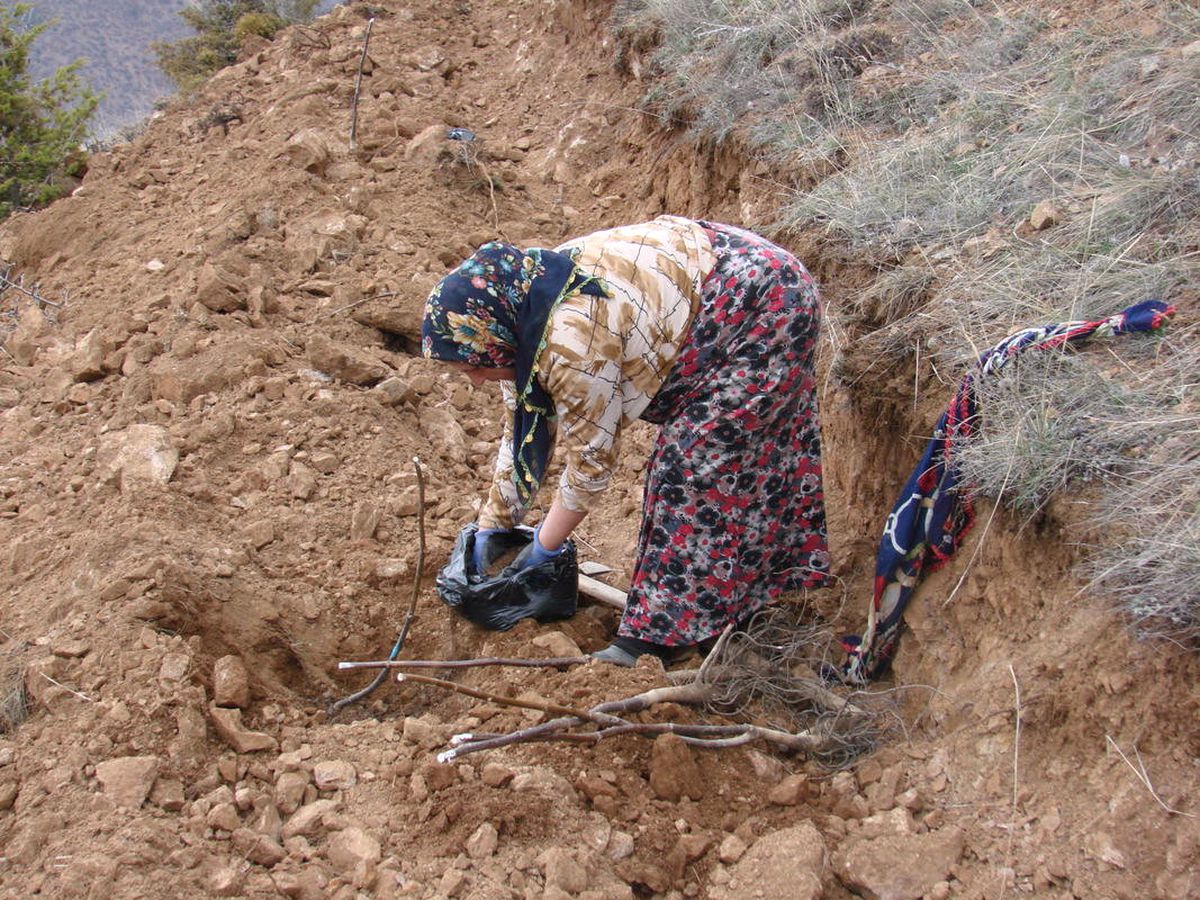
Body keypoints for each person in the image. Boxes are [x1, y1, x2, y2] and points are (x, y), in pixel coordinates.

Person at [421, 215, 829, 665]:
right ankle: (732, 605)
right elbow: (522, 431)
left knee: (691, 468)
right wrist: (492, 525)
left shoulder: (570, 341)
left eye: (474, 367)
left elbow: (591, 466)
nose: (476, 380)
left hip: (765, 304)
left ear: (493, 339)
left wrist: (542, 548)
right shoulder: (523, 305)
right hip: (726, 274)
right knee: (721, 462)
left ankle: (656, 640)